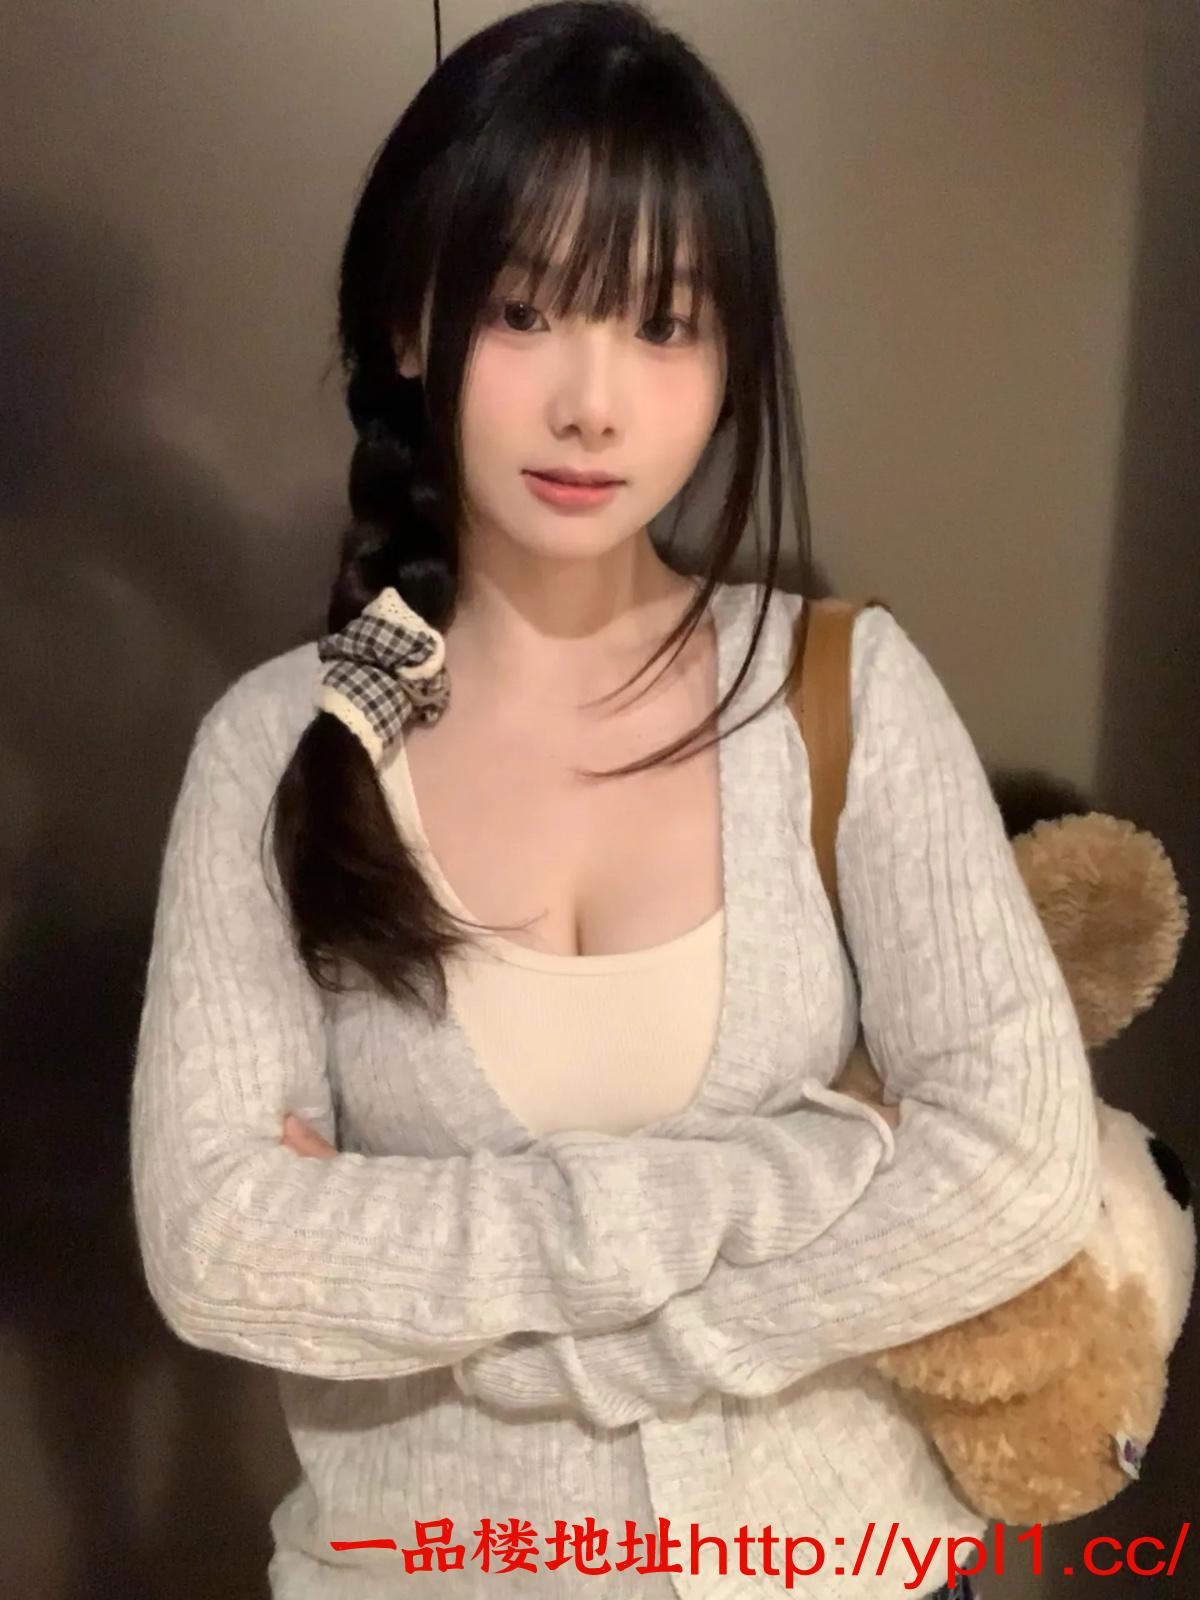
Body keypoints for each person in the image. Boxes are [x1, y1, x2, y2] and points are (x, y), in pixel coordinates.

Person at [129, 4, 1100, 1596]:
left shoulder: (840, 692)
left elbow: (1021, 1169)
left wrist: (468, 1294)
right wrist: (829, 1162)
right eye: (523, 311)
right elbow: (220, 1249)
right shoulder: (276, 746)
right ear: (408, 326)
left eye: (664, 324)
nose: (594, 403)